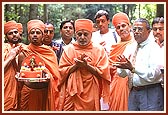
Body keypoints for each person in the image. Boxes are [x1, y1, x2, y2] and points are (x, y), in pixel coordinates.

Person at [58, 19, 111, 111]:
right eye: (79, 34)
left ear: (91, 35)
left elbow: (103, 73)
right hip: (73, 93)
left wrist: (86, 66)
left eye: (85, 34)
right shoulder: (69, 50)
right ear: (75, 35)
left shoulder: (98, 50)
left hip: (92, 91)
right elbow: (62, 72)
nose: (82, 37)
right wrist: (76, 66)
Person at [115, 18, 164, 111]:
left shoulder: (154, 48)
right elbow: (122, 74)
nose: (136, 32)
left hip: (150, 92)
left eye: (140, 29)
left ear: (148, 32)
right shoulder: (130, 47)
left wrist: (132, 68)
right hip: (133, 92)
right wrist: (121, 67)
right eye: (134, 29)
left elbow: (155, 74)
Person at [18, 19, 60, 111]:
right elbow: (20, 74)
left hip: (45, 92)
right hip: (28, 92)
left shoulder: (49, 52)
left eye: (38, 32)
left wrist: (48, 75)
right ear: (28, 36)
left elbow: (56, 75)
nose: (35, 35)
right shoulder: (23, 52)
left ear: (43, 35)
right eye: (32, 32)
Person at [108, 12, 134, 111]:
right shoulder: (115, 47)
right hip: (116, 83)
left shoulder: (136, 43)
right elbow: (110, 67)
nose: (121, 29)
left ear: (129, 26)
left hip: (131, 81)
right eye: (118, 27)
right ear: (116, 31)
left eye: (123, 25)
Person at [3, 20, 23, 111]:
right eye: (10, 33)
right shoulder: (4, 48)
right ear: (6, 37)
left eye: (16, 32)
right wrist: (10, 57)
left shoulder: (23, 48)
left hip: (19, 90)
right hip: (6, 90)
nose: (14, 34)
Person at [151, 17, 164, 88]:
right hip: (153, 86)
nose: (158, 32)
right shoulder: (149, 45)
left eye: (161, 29)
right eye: (155, 29)